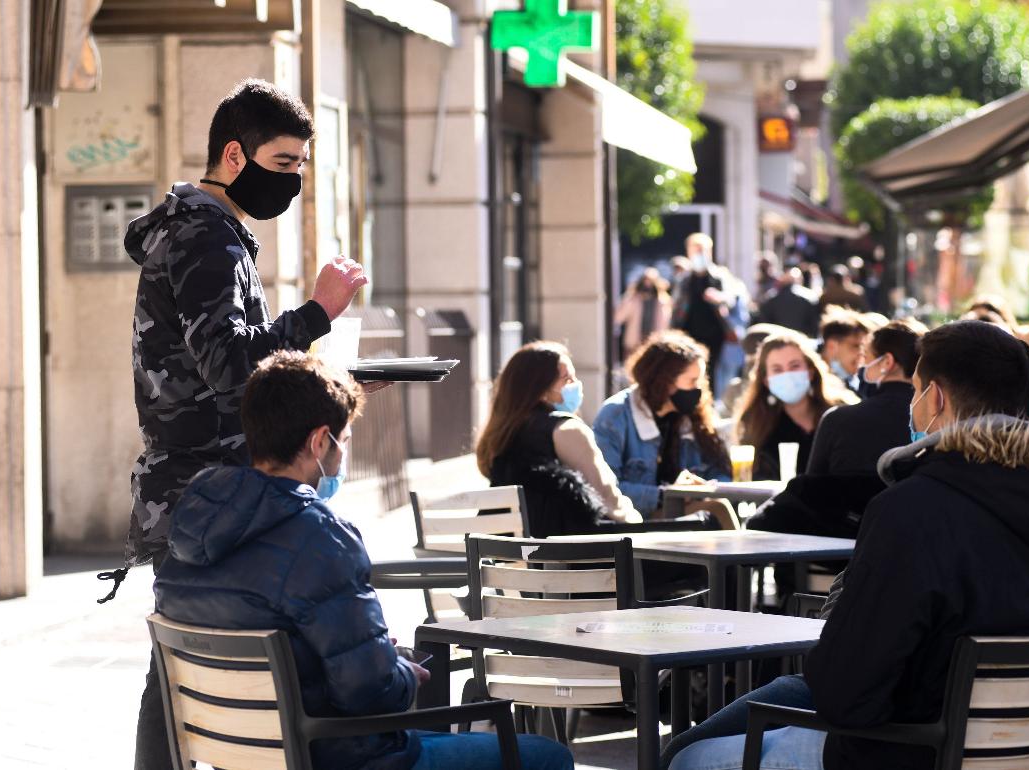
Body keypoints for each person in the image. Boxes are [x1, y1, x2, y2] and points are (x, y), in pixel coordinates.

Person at [666, 320, 1029, 770]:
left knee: (689, 759)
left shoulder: (914, 508)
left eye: (916, 390)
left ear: (935, 398)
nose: (913, 402)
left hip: (908, 751)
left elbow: (847, 696)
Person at [154, 352, 573, 770]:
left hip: (239, 757)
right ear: (320, 442)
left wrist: (371, 657)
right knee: (548, 756)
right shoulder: (320, 535)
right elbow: (373, 693)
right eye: (345, 438)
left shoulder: (190, 526)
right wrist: (401, 669)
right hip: (342, 757)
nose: (343, 452)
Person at [121, 79, 369, 770]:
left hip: (194, 487)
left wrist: (324, 384)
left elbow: (224, 366)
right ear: (236, 155)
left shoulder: (201, 232)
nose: (293, 181)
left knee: (181, 661)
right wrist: (318, 312)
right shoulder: (209, 239)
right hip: (210, 489)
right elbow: (231, 366)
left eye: (300, 166)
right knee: (196, 663)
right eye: (285, 163)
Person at [476, 341, 642, 537]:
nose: (576, 385)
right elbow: (607, 497)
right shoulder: (566, 429)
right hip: (569, 558)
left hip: (510, 557)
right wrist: (637, 522)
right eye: (567, 379)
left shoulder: (501, 434)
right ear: (540, 389)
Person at [593, 331, 734, 519]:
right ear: (664, 380)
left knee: (717, 508)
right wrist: (669, 493)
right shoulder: (616, 414)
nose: (698, 389)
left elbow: (721, 471)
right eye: (692, 381)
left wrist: (702, 487)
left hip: (687, 518)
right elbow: (605, 489)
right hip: (637, 522)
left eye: (700, 381)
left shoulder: (695, 414)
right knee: (718, 510)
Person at [807, 319, 927, 476]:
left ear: (887, 362)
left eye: (865, 357)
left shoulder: (838, 420)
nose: (860, 367)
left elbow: (811, 487)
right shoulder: (935, 417)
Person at [733, 330, 854, 481]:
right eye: (777, 369)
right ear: (766, 380)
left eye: (794, 366)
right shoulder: (755, 423)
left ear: (810, 371)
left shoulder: (841, 412)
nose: (787, 375)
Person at [671, 233, 738, 369]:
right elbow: (676, 306)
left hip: (714, 333)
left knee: (711, 370)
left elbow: (731, 299)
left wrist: (718, 297)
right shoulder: (684, 279)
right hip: (688, 332)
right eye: (695, 251)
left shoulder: (719, 276)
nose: (698, 255)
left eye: (701, 250)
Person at [614, 268, 672, 362]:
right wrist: (630, 296)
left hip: (654, 339)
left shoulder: (662, 300)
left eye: (650, 281)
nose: (647, 284)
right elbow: (619, 317)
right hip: (635, 339)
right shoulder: (634, 299)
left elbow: (665, 321)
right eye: (645, 280)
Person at [754, 266, 821, 336]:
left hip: (778, 341)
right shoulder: (810, 297)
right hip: (802, 341)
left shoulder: (770, 298)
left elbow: (764, 324)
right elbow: (815, 326)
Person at [818, 306, 870, 391]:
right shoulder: (809, 383)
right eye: (856, 346)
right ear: (832, 346)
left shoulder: (854, 388)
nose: (862, 353)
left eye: (865, 348)